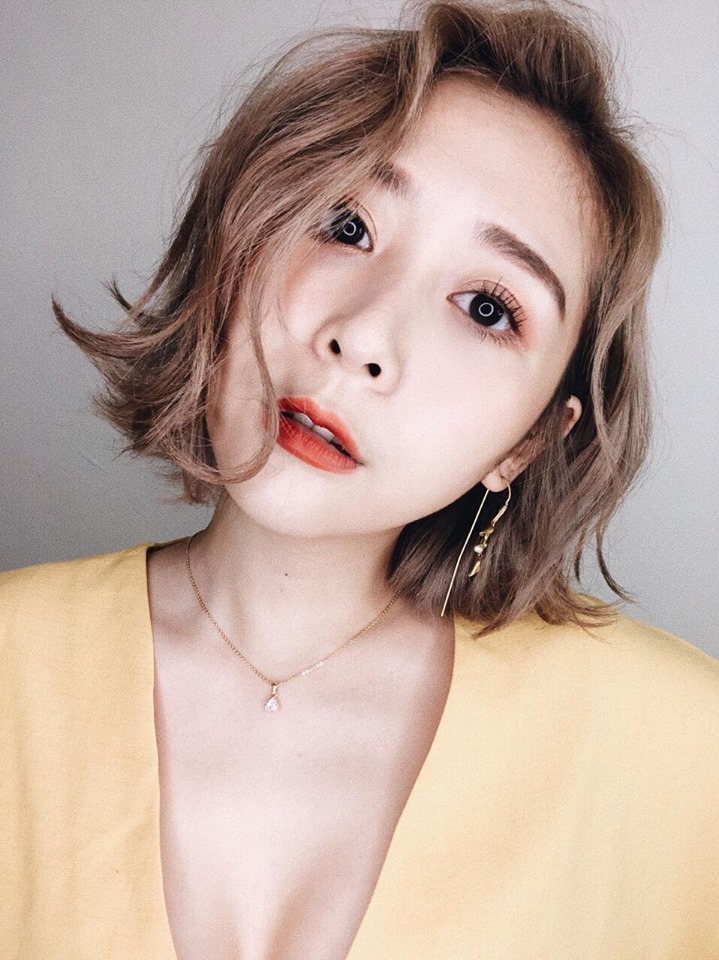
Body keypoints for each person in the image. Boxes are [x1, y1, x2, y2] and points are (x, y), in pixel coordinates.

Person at [2, 0, 718, 957]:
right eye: (345, 224)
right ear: (237, 242)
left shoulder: (685, 753)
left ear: (530, 441)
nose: (364, 336)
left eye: (486, 307)